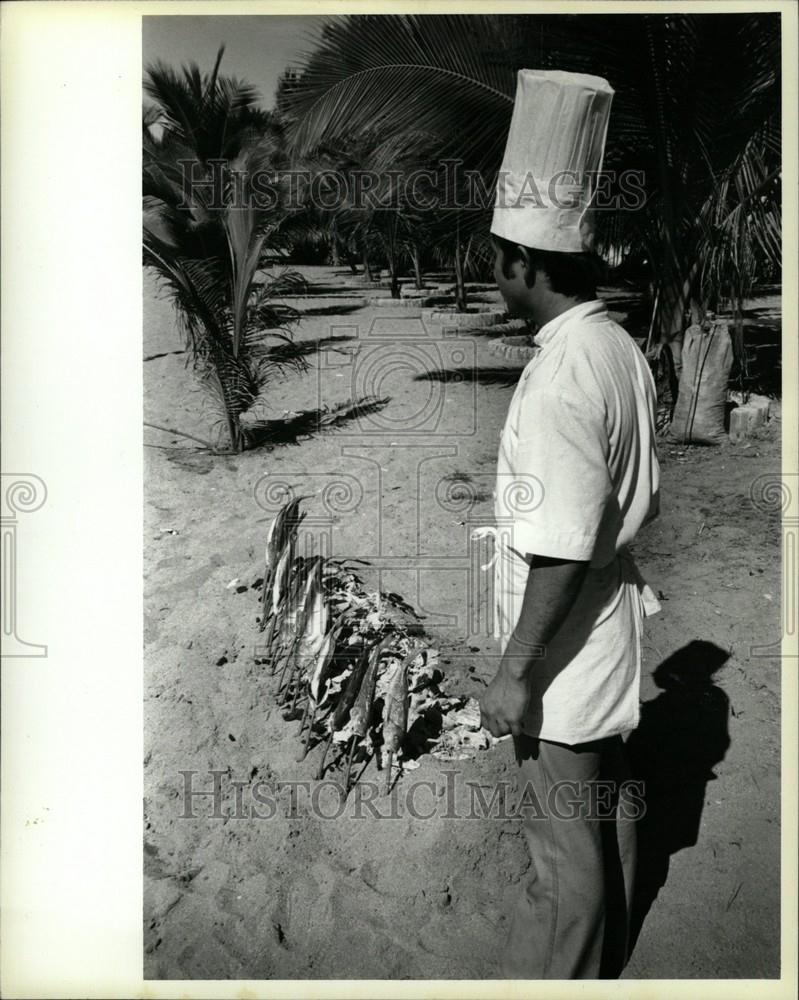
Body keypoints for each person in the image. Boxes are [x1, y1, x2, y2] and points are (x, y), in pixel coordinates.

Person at [477, 70, 661, 980]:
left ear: (524, 262)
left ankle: (574, 978)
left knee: (563, 845)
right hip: (605, 630)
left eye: (495, 255)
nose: (491, 271)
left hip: (567, 648)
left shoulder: (557, 379)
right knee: (607, 809)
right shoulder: (612, 344)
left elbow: (558, 543)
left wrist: (515, 676)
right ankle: (610, 950)